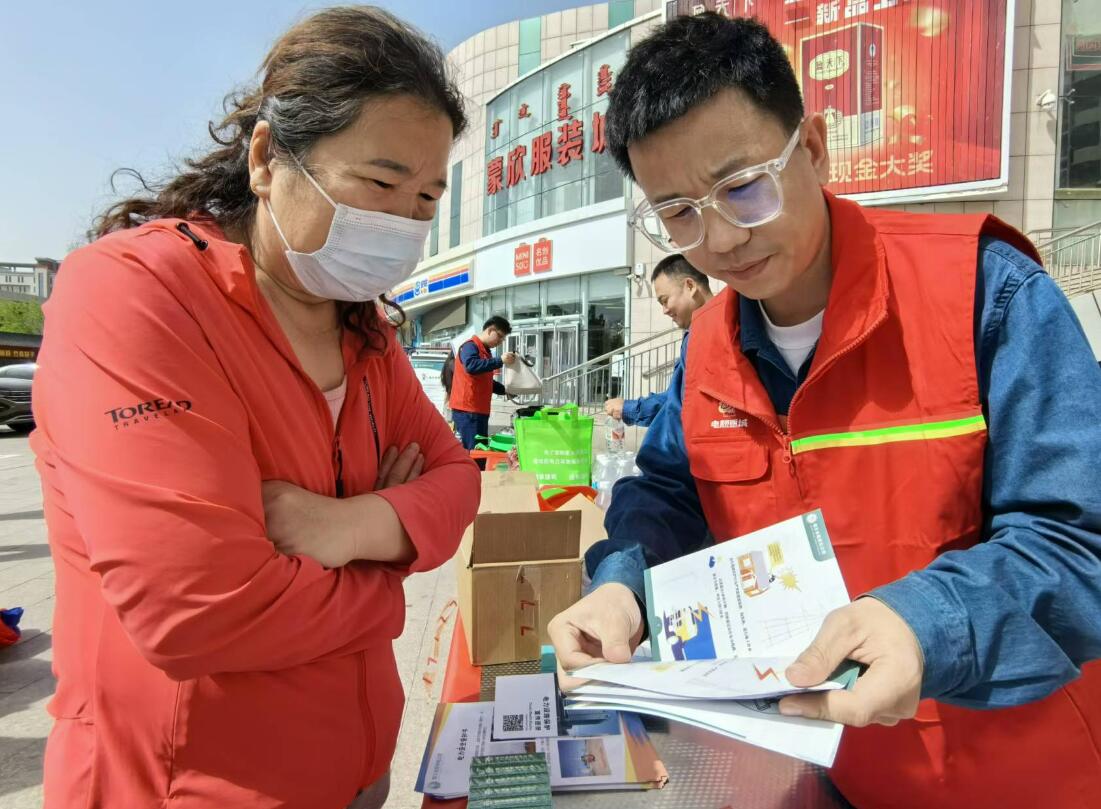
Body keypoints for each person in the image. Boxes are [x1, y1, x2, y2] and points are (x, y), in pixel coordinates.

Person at [548, 13, 1101, 809]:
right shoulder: (708, 344)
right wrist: (622, 582)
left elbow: (1077, 538)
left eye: (742, 187)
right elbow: (669, 489)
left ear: (811, 147)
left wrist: (927, 622)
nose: (720, 237)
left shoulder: (985, 294)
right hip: (825, 771)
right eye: (677, 212)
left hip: (1016, 773)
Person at [31, 7, 479, 809]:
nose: (403, 221)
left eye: (424, 197)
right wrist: (391, 583)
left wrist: (350, 527)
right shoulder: (138, 296)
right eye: (380, 182)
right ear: (270, 158)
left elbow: (456, 479)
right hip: (188, 787)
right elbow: (198, 610)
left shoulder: (363, 333)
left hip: (357, 773)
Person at [604, 253, 712, 426]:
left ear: (690, 286)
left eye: (665, 300)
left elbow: (680, 404)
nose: (665, 310)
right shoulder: (707, 327)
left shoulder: (709, 333)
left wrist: (630, 408)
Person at [449, 315, 517, 449]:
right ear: (490, 330)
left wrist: (506, 391)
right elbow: (471, 366)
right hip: (468, 410)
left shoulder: (485, 352)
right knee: (474, 452)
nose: (501, 341)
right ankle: (473, 470)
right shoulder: (470, 346)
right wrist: (500, 360)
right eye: (500, 336)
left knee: (480, 450)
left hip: (478, 410)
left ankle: (478, 470)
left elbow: (486, 381)